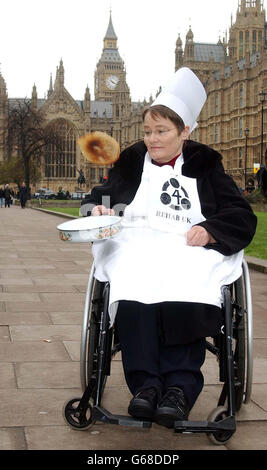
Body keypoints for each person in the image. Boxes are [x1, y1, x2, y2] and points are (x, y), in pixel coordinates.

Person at [81, 67, 257, 428]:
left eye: (162, 132)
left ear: (184, 132)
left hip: (187, 247)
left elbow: (240, 216)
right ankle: (145, 386)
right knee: (131, 277)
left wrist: (209, 231)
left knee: (186, 277)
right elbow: (97, 200)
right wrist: (99, 208)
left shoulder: (206, 167)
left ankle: (179, 387)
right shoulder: (131, 163)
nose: (152, 140)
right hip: (137, 244)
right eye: (148, 132)